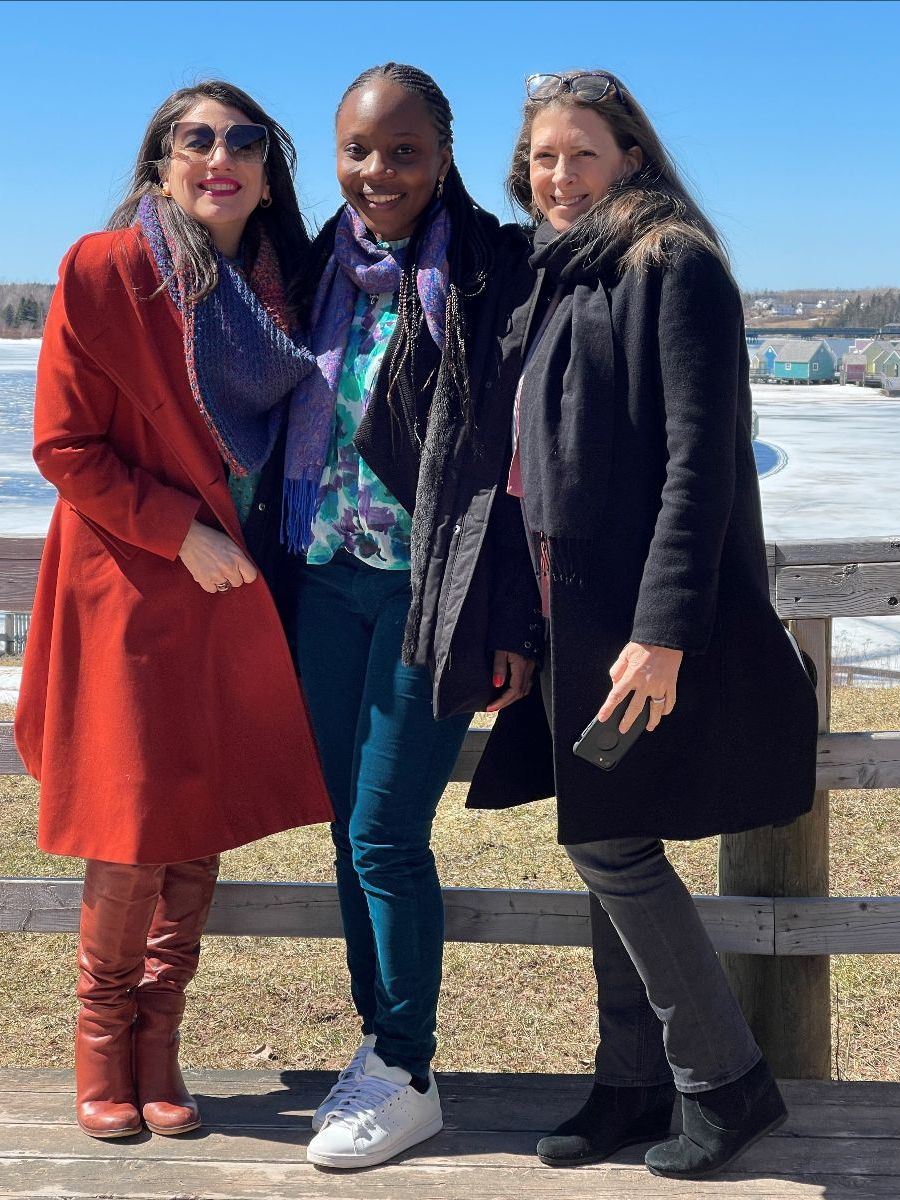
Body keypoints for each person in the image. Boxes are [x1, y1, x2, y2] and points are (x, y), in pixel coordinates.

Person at [467, 69, 819, 1180]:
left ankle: (726, 1081)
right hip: (573, 619)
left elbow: (698, 466)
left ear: (632, 157)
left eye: (581, 154)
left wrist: (663, 628)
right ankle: (633, 1082)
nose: (558, 177)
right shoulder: (561, 277)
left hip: (646, 630)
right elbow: (534, 476)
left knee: (609, 842)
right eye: (541, 159)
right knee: (603, 837)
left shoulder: (675, 265)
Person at [14, 81, 333, 1141]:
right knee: (132, 822)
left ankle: (162, 1045)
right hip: (138, 584)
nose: (220, 156)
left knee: (198, 820)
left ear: (269, 170)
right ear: (159, 163)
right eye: (194, 140)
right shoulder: (107, 270)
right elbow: (63, 446)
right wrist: (175, 531)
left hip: (241, 590)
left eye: (244, 141)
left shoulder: (283, 290)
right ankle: (103, 1042)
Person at [282, 63, 540, 1170]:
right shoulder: (307, 268)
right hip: (324, 579)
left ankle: (407, 1064)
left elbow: (525, 463)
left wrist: (517, 623)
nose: (376, 172)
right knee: (348, 830)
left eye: (401, 151)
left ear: (443, 154)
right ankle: (377, 1051)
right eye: (356, 150)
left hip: (432, 592)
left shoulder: (493, 269)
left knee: (388, 832)